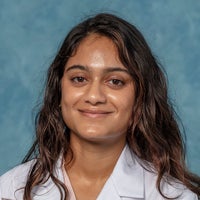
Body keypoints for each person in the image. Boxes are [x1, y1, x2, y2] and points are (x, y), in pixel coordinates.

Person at [0, 13, 199, 200]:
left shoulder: (176, 196)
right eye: (79, 79)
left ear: (140, 97)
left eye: (115, 81)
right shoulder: (10, 189)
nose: (94, 96)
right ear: (59, 91)